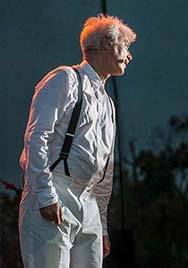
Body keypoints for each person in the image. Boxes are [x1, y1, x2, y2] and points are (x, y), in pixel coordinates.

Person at [19, 14, 136, 268]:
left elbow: (105, 171)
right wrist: (44, 194)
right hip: (56, 189)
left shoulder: (108, 104)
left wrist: (101, 222)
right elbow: (37, 137)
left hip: (89, 201)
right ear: (106, 41)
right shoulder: (65, 79)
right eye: (125, 46)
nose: (129, 56)